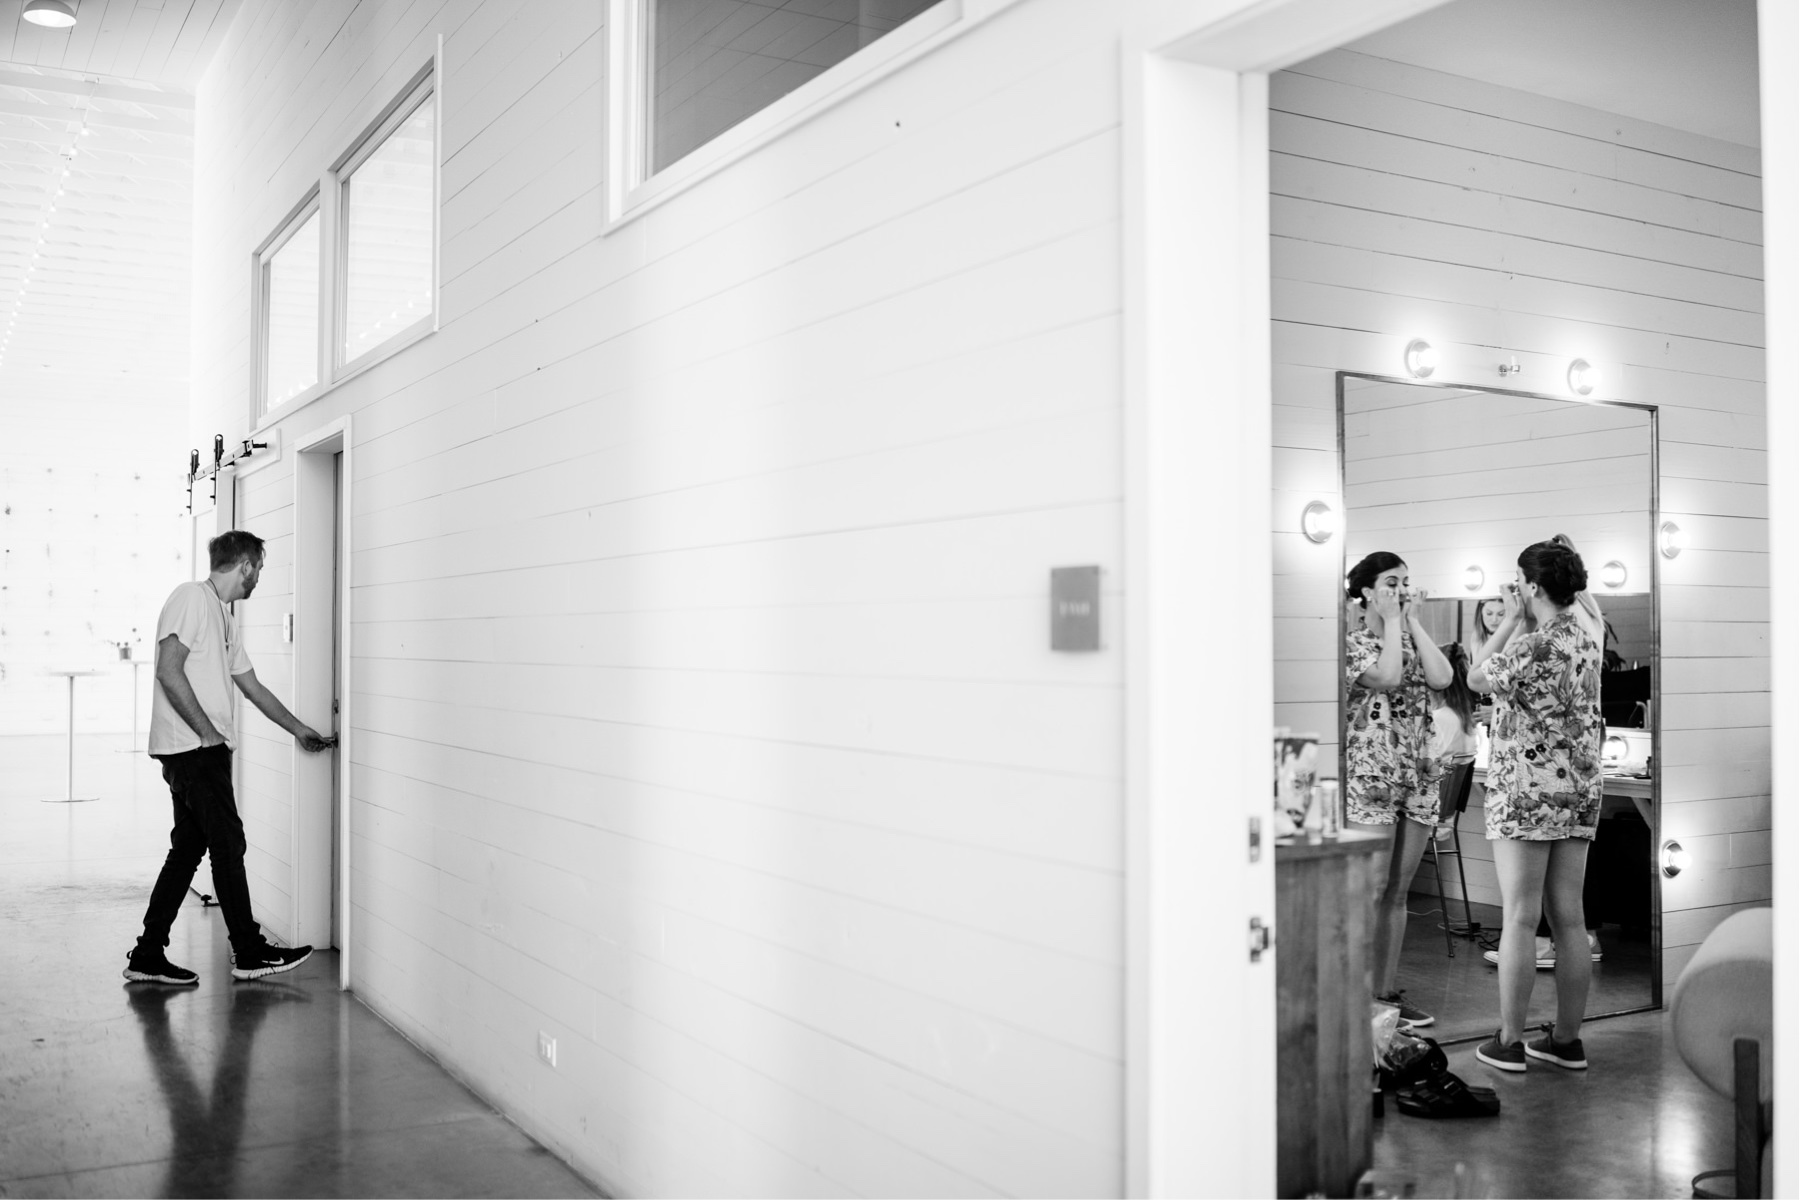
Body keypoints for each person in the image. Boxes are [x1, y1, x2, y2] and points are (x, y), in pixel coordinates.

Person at [123, 530, 336, 986]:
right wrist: (205, 733)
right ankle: (249, 950)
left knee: (188, 850)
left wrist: (300, 729)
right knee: (227, 842)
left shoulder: (223, 617)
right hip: (193, 750)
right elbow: (167, 669)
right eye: (258, 567)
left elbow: (252, 686)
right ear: (245, 565)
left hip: (201, 750)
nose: (259, 576)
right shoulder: (191, 599)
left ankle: (146, 954)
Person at [1468, 540, 1603, 1073]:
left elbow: (1477, 675)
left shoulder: (1533, 646)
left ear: (1531, 587)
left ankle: (1508, 1041)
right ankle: (1567, 1041)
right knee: (1570, 919)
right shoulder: (1587, 640)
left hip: (1527, 791)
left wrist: (1510, 620)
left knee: (1521, 918)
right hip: (1578, 790)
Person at [1343, 551, 1453, 1028]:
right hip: (1371, 775)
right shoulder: (1350, 644)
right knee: (1368, 891)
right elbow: (1386, 679)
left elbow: (1443, 677)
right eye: (1392, 582)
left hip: (1417, 772)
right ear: (1367, 591)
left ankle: (1385, 994)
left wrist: (1410, 622)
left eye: (1407, 581)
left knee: (1398, 891)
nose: (1402, 589)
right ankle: (1354, 995)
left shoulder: (1405, 637)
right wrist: (1391, 623)